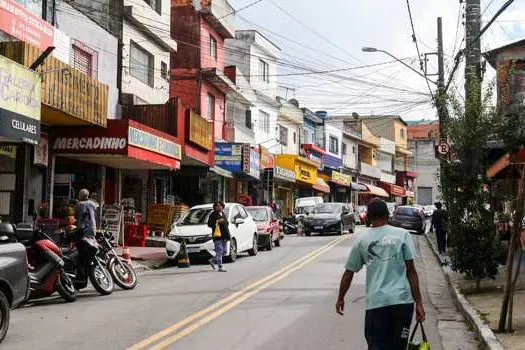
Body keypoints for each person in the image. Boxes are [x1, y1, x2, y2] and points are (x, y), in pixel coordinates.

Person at [336, 198, 425, 350]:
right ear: (387, 215)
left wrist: (340, 298)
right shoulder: (403, 235)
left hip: (377, 305)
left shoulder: (362, 240)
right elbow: (411, 272)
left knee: (376, 345)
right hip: (403, 304)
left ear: (369, 218)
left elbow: (349, 273)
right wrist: (419, 302)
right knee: (400, 346)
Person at [75, 189, 98, 280]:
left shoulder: (79, 205)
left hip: (82, 229)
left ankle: (84, 267)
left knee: (83, 248)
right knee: (91, 244)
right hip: (92, 228)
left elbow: (76, 216)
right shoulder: (92, 204)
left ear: (81, 196)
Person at [207, 201, 230, 272]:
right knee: (219, 251)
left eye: (220, 206)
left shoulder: (223, 214)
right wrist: (217, 221)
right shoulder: (212, 215)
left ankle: (212, 260)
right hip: (217, 236)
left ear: (223, 207)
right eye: (217, 206)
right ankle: (220, 267)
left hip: (224, 236)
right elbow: (209, 224)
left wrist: (228, 236)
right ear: (215, 207)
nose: (219, 207)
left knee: (224, 251)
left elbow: (226, 225)